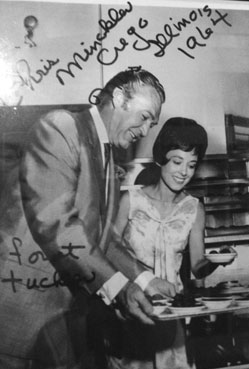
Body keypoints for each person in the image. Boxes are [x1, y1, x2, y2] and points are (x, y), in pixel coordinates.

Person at [16, 68, 176, 368]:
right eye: (144, 117)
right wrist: (118, 288)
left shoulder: (108, 154)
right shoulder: (62, 127)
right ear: (118, 98)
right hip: (27, 322)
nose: (145, 131)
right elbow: (58, 226)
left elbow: (102, 237)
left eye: (151, 124)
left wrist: (145, 278)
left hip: (67, 322)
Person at [107, 117, 233, 369]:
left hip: (172, 316)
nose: (184, 172)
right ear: (161, 158)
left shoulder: (194, 209)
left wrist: (217, 260)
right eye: (177, 161)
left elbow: (197, 266)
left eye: (191, 165)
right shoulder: (130, 201)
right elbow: (107, 250)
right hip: (131, 312)